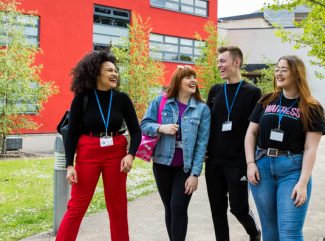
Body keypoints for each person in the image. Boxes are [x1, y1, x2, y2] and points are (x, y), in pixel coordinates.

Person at [56, 51, 141, 241]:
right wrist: (69, 165)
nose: (114, 74)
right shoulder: (82, 98)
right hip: (88, 151)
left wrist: (130, 155)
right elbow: (71, 135)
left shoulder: (122, 99)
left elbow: (136, 131)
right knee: (77, 205)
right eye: (109, 70)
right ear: (96, 73)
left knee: (117, 206)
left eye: (116, 70)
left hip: (116, 152)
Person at [245, 55, 325, 241]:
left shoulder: (311, 107)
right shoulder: (266, 101)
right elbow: (250, 134)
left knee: (290, 233)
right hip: (262, 168)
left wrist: (303, 182)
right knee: (270, 231)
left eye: (284, 69)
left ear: (296, 73)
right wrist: (250, 163)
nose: (278, 73)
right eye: (277, 69)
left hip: (292, 170)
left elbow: (310, 148)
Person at [140, 65, 210, 241]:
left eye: (194, 77)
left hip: (184, 166)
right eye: (188, 77)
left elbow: (202, 143)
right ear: (178, 81)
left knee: (178, 207)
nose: (193, 80)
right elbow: (145, 125)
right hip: (162, 163)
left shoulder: (202, 109)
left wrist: (195, 173)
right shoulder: (160, 101)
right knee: (169, 208)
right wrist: (161, 128)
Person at [206, 46, 261, 241]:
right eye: (218, 61)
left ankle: (254, 233)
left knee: (238, 208)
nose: (219, 65)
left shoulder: (254, 92)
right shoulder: (215, 90)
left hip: (238, 162)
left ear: (236, 62)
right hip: (213, 162)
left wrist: (251, 161)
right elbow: (207, 124)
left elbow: (255, 129)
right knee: (217, 211)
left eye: (223, 61)